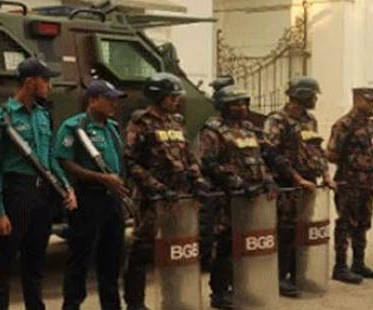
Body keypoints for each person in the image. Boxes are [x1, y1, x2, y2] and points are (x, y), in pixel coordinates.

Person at [0, 57, 77, 310]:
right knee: (3, 264)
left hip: (42, 194)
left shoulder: (43, 116)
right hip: (16, 192)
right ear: (28, 82)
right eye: (45, 80)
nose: (49, 85)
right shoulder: (1, 117)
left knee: (35, 263)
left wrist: (66, 186)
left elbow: (49, 160)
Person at [123, 72, 207, 310]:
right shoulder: (141, 122)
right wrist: (157, 188)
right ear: (158, 97)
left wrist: (197, 178)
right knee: (142, 249)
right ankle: (135, 303)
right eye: (172, 97)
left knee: (177, 248)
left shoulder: (177, 121)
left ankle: (176, 297)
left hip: (180, 198)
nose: (176, 101)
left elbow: (188, 154)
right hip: (153, 198)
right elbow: (131, 161)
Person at [54, 80, 130, 310]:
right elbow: (64, 161)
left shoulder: (112, 128)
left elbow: (120, 163)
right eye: (109, 99)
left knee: (112, 258)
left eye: (115, 99)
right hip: (88, 199)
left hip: (112, 200)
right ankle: (72, 304)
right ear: (92, 100)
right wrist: (101, 178)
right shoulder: (75, 126)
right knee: (80, 257)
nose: (113, 104)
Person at [199, 86, 277, 308]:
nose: (241, 108)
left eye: (244, 103)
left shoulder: (249, 128)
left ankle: (242, 287)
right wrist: (237, 183)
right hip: (228, 197)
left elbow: (261, 157)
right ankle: (220, 293)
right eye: (236, 104)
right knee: (225, 244)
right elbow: (209, 163)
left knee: (248, 244)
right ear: (224, 106)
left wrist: (268, 179)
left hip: (253, 197)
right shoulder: (213, 130)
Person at [263, 76, 332, 298]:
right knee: (285, 231)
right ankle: (280, 278)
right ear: (301, 96)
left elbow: (317, 150)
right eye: (313, 95)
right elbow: (272, 154)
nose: (315, 99)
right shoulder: (277, 120)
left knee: (305, 230)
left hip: (309, 184)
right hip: (288, 185)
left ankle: (299, 274)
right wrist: (295, 178)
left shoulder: (310, 120)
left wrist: (326, 174)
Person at [325, 87, 373, 284]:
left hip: (368, 182)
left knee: (363, 223)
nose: (372, 104)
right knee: (345, 223)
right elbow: (332, 153)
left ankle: (359, 263)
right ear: (357, 100)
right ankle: (340, 266)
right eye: (368, 101)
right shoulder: (344, 124)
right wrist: (353, 163)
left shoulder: (370, 123)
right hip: (349, 182)